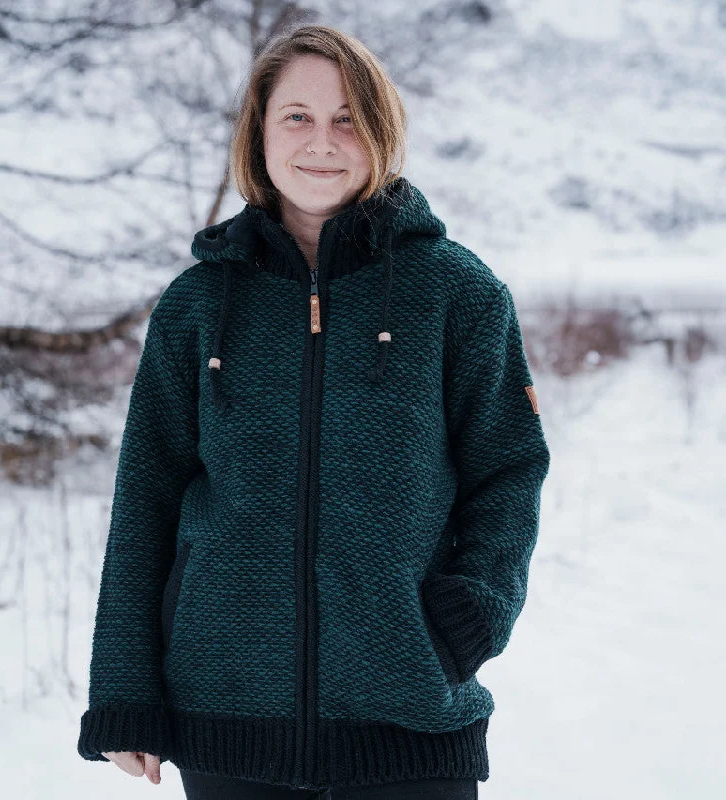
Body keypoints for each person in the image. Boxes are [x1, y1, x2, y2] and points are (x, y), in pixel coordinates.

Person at [76, 23, 550, 800]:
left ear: (380, 131)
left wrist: (473, 611)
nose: (322, 141)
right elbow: (146, 501)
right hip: (223, 713)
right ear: (258, 135)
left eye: (346, 118)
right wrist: (125, 688)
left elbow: (509, 469)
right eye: (296, 116)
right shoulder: (198, 304)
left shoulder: (456, 292)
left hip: (410, 718)